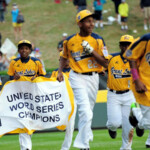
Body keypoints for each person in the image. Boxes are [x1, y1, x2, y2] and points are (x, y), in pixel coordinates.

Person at [57, 9, 108, 150]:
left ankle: (86, 134)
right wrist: (60, 71)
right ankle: (83, 145)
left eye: (92, 21)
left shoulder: (98, 39)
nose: (91, 24)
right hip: (77, 76)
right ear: (79, 23)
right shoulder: (70, 41)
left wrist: (91, 51)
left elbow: (105, 63)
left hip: (94, 78)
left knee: (88, 111)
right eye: (88, 21)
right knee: (85, 111)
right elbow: (63, 56)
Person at [7, 39, 46, 150]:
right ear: (18, 50)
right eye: (22, 48)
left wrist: (36, 78)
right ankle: (26, 148)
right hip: (20, 97)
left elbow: (43, 77)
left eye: (26, 48)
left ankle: (26, 145)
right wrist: (14, 78)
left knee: (31, 123)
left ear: (30, 50)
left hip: (33, 96)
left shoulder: (36, 62)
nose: (24, 50)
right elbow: (10, 78)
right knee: (24, 122)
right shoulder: (14, 62)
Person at [106, 35, 135, 150]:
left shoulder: (136, 59)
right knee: (114, 123)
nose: (126, 47)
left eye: (129, 44)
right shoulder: (111, 58)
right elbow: (100, 62)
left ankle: (126, 147)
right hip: (113, 95)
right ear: (120, 46)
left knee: (129, 125)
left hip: (129, 94)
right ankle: (111, 128)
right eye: (123, 44)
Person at [123, 33, 150, 140]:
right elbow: (130, 56)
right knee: (149, 124)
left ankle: (138, 120)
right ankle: (137, 115)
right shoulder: (146, 39)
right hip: (144, 85)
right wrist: (136, 79)